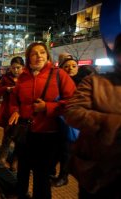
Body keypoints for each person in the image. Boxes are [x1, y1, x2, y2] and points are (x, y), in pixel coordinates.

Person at [9, 42, 76, 199]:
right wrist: (15, 111)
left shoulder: (59, 74)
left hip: (48, 134)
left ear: (47, 56)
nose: (38, 56)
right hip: (25, 131)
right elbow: (14, 98)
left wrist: (48, 107)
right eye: (34, 53)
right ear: (28, 58)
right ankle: (21, 193)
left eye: (42, 52)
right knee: (23, 169)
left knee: (41, 175)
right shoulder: (23, 77)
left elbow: (73, 101)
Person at [64, 34, 121, 199]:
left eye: (73, 66)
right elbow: (72, 110)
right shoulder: (95, 82)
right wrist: (111, 123)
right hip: (98, 174)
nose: (70, 69)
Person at [51, 55, 95, 187]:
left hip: (73, 123)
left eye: (73, 66)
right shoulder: (57, 82)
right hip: (57, 120)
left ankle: (63, 176)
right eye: (66, 66)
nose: (70, 68)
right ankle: (52, 171)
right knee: (56, 148)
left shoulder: (84, 83)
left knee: (66, 150)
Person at [0, 56, 25, 171]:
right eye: (13, 68)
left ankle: (15, 162)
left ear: (23, 67)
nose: (16, 70)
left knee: (19, 140)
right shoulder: (6, 78)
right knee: (7, 136)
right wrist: (7, 89)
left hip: (22, 113)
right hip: (8, 111)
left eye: (18, 68)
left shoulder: (27, 78)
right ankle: (2, 158)